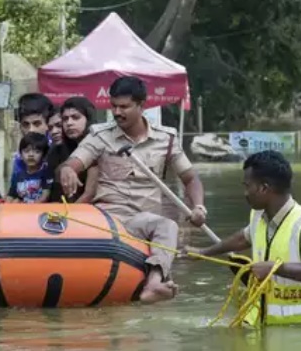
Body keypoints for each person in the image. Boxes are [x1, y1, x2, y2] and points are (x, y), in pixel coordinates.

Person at [58, 76, 207, 304]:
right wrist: (68, 170)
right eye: (114, 106)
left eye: (124, 106)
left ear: (141, 105)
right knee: (166, 225)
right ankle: (155, 283)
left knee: (166, 225)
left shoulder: (166, 139)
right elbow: (74, 163)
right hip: (112, 219)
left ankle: (153, 282)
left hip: (147, 222)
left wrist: (198, 206)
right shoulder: (100, 136)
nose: (117, 112)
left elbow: (191, 178)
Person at [187, 150, 301, 326]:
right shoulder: (259, 216)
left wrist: (275, 268)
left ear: (264, 188)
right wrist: (203, 253)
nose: (245, 193)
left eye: (247, 186)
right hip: (262, 326)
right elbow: (243, 238)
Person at [47, 97, 98, 203]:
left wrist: (69, 216)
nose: (69, 123)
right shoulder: (56, 150)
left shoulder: (98, 145)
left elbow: (89, 195)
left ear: (88, 119)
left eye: (75, 117)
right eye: (65, 119)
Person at [6, 132, 53, 203]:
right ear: (21, 154)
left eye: (37, 152)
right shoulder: (17, 174)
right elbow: (11, 194)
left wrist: (29, 208)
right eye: (26, 151)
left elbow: (45, 197)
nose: (31, 155)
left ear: (43, 155)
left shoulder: (46, 172)